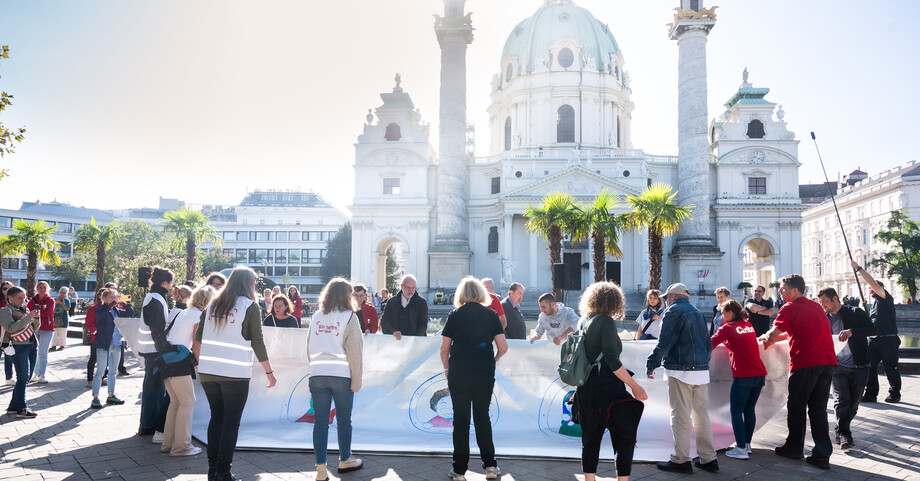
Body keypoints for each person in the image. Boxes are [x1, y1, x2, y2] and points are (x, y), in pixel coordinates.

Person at [194, 266, 277, 481]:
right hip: (234, 373)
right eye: (254, 282)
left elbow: (200, 337)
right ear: (248, 284)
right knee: (231, 422)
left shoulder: (212, 305)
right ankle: (224, 473)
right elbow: (257, 342)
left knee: (216, 418)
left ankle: (212, 471)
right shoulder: (249, 306)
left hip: (209, 372)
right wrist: (269, 371)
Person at [760, 274, 837, 470]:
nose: (779, 291)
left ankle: (794, 447)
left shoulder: (789, 307)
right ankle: (822, 454)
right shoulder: (815, 306)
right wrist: (773, 338)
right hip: (827, 362)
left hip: (806, 362)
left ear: (795, 291)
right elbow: (793, 330)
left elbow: (774, 333)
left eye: (783, 288)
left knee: (796, 405)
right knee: (818, 408)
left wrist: (766, 339)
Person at [576, 282, 648, 481]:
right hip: (608, 389)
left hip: (585, 388)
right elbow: (612, 360)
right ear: (614, 302)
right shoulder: (605, 322)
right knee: (624, 436)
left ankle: (589, 479)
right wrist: (634, 386)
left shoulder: (584, 319)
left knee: (590, 438)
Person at [440, 276, 508, 481]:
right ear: (481, 294)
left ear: (461, 295)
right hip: (483, 372)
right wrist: (494, 358)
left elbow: (444, 349)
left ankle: (459, 470)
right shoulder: (491, 315)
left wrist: (446, 368)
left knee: (460, 420)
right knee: (482, 417)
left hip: (459, 371)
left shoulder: (454, 315)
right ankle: (490, 466)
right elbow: (503, 346)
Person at [646, 283, 719, 474]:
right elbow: (707, 343)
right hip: (701, 370)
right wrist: (703, 363)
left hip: (681, 370)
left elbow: (664, 343)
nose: (665, 301)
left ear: (672, 296)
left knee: (680, 416)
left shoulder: (672, 312)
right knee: (701, 416)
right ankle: (709, 458)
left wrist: (651, 363)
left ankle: (681, 460)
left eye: (666, 298)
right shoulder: (697, 312)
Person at [307, 277, 364, 480]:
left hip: (317, 374)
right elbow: (354, 353)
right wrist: (356, 380)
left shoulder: (316, 317)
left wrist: (314, 369)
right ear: (346, 296)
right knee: (343, 421)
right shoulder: (349, 317)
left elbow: (309, 346)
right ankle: (345, 459)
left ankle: (321, 469)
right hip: (341, 376)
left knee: (320, 422)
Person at [816, 286, 875, 450]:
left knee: (853, 404)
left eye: (825, 302)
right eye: (820, 302)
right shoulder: (823, 318)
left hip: (860, 364)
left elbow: (872, 329)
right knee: (841, 401)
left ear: (835, 298)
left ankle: (842, 429)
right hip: (837, 366)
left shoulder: (856, 312)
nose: (823, 306)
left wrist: (852, 331)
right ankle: (844, 434)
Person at [161, 285, 214, 457]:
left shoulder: (183, 313)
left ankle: (168, 444)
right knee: (187, 402)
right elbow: (196, 343)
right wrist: (199, 363)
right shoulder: (198, 315)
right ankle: (182, 447)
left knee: (175, 402)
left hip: (166, 359)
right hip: (180, 361)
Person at [711, 299, 767, 460]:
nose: (721, 316)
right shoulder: (748, 326)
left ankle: (740, 447)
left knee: (736, 411)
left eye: (723, 312)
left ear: (730, 313)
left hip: (743, 375)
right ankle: (747, 445)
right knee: (749, 410)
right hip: (759, 374)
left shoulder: (727, 328)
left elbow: (710, 344)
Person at [851, 260, 902, 403]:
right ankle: (871, 393)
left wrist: (859, 268)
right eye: (869, 288)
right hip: (874, 340)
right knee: (869, 366)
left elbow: (872, 282)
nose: (870, 289)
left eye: (872, 287)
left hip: (888, 339)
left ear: (881, 288)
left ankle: (894, 393)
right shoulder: (873, 305)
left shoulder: (886, 299)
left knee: (890, 367)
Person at [137, 267, 174, 439]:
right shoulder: (156, 299)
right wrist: (163, 351)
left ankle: (147, 424)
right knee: (154, 389)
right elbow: (157, 330)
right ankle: (148, 425)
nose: (170, 287)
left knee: (153, 388)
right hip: (153, 351)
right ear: (165, 282)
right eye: (170, 283)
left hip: (150, 350)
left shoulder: (153, 297)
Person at [1, 286, 41, 418]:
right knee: (23, 377)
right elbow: (11, 328)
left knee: (27, 377)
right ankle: (22, 408)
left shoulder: (24, 309)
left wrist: (36, 318)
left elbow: (35, 328)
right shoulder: (5, 310)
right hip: (18, 346)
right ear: (10, 298)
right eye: (19, 298)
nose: (23, 300)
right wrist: (28, 317)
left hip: (32, 344)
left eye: (24, 298)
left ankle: (13, 406)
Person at [89, 288, 127, 409]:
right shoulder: (100, 309)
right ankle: (95, 397)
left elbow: (130, 314)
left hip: (117, 343)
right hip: (104, 344)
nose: (114, 299)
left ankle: (111, 395)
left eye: (115, 296)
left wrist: (126, 305)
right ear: (104, 298)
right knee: (100, 372)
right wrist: (112, 303)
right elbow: (102, 316)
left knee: (113, 371)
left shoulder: (117, 309)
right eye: (111, 297)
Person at [381, 274, 429, 339]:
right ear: (402, 286)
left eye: (413, 288)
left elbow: (423, 325)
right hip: (396, 341)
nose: (411, 291)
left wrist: (416, 338)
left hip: (414, 342)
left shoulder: (422, 302)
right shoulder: (391, 302)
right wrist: (393, 331)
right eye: (408, 287)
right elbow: (384, 322)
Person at [27, 281, 55, 383]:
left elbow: (48, 313)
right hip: (34, 329)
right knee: (34, 352)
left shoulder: (50, 300)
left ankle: (41, 375)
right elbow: (28, 310)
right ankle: (36, 373)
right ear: (37, 289)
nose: (42, 289)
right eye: (40, 287)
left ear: (47, 289)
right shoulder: (33, 300)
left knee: (43, 353)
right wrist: (36, 313)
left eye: (44, 287)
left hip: (47, 330)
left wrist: (36, 313)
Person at [84, 288, 105, 388]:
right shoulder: (94, 308)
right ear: (100, 296)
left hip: (107, 338)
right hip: (96, 338)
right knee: (93, 359)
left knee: (105, 359)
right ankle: (90, 380)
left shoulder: (114, 308)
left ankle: (102, 377)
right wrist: (97, 333)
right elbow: (89, 323)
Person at [1, 280, 14, 386]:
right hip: (0, 331)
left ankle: (9, 378)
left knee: (9, 355)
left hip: (9, 333)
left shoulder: (15, 301)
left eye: (9, 288)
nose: (6, 291)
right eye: (4, 288)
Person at [49, 287, 71, 351]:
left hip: (63, 318)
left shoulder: (66, 300)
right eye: (61, 292)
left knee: (62, 333)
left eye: (64, 293)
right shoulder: (54, 299)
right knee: (54, 333)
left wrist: (63, 304)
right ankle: (53, 345)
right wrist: (55, 303)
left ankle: (62, 345)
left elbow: (67, 309)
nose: (62, 294)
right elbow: (50, 308)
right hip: (55, 318)